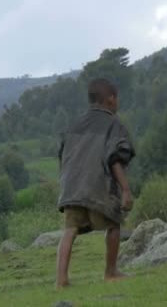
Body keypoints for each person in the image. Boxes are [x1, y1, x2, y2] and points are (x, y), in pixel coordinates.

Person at [56, 78, 135, 288]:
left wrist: (66, 183)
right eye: (116, 99)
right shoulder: (114, 124)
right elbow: (115, 158)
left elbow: (63, 156)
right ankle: (111, 272)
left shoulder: (73, 125)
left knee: (70, 229)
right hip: (99, 184)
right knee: (114, 224)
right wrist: (125, 189)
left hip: (71, 186)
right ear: (110, 99)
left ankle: (61, 279)